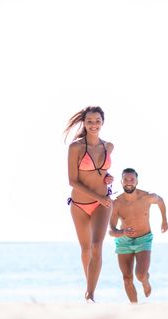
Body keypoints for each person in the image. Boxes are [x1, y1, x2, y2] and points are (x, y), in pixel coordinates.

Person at [64, 106, 114, 303]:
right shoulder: (76, 147)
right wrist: (98, 195)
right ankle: (88, 286)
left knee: (96, 245)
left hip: (103, 203)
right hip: (79, 205)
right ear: (84, 124)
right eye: (90, 121)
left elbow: (102, 172)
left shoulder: (109, 146)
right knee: (86, 249)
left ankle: (90, 294)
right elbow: (73, 181)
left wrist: (108, 178)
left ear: (103, 122)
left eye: (97, 121)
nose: (94, 125)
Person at [109, 168, 168, 303]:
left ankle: (145, 281)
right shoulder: (116, 203)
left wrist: (164, 220)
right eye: (126, 179)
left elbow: (160, 201)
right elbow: (111, 230)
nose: (129, 182)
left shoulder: (147, 197)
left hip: (143, 239)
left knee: (140, 275)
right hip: (123, 241)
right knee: (127, 278)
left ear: (137, 181)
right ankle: (134, 307)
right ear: (121, 181)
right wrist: (122, 232)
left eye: (132, 179)